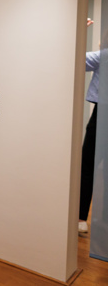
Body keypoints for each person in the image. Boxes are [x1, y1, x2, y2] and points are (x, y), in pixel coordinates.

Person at [79, 18, 99, 233]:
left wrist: (79, 31)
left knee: (88, 166)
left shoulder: (104, 56)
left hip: (102, 115)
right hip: (101, 114)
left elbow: (76, 58)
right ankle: (82, 219)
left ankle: (81, 219)